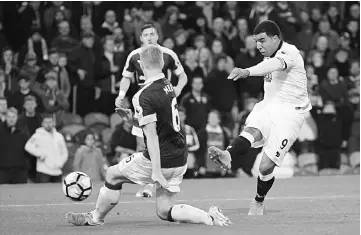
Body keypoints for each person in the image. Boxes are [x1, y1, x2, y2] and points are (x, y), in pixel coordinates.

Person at [66, 45, 231, 227]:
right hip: (179, 156)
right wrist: (133, 121)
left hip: (161, 158)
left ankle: (95, 217)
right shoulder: (169, 86)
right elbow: (161, 123)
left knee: (113, 174)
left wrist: (156, 171)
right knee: (164, 210)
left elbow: (152, 137)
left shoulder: (143, 95)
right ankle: (209, 218)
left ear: (141, 66)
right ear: (162, 63)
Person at [208, 20, 311, 215]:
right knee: (252, 130)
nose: (258, 46)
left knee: (265, 167)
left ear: (276, 38)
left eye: (262, 40)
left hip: (291, 113)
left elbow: (274, 65)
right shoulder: (267, 58)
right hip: (269, 106)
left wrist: (247, 71)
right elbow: (268, 67)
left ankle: (259, 200)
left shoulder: (290, 52)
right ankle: (228, 155)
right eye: (256, 41)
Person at [115, 23, 188, 197]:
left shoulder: (168, 54)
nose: (149, 37)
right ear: (141, 38)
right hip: (144, 102)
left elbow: (182, 75)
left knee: (158, 139)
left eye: (152, 33)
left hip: (162, 100)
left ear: (157, 36)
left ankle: (155, 178)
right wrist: (121, 93)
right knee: (144, 143)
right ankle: (150, 181)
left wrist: (178, 88)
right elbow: (125, 78)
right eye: (145, 34)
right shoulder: (134, 56)